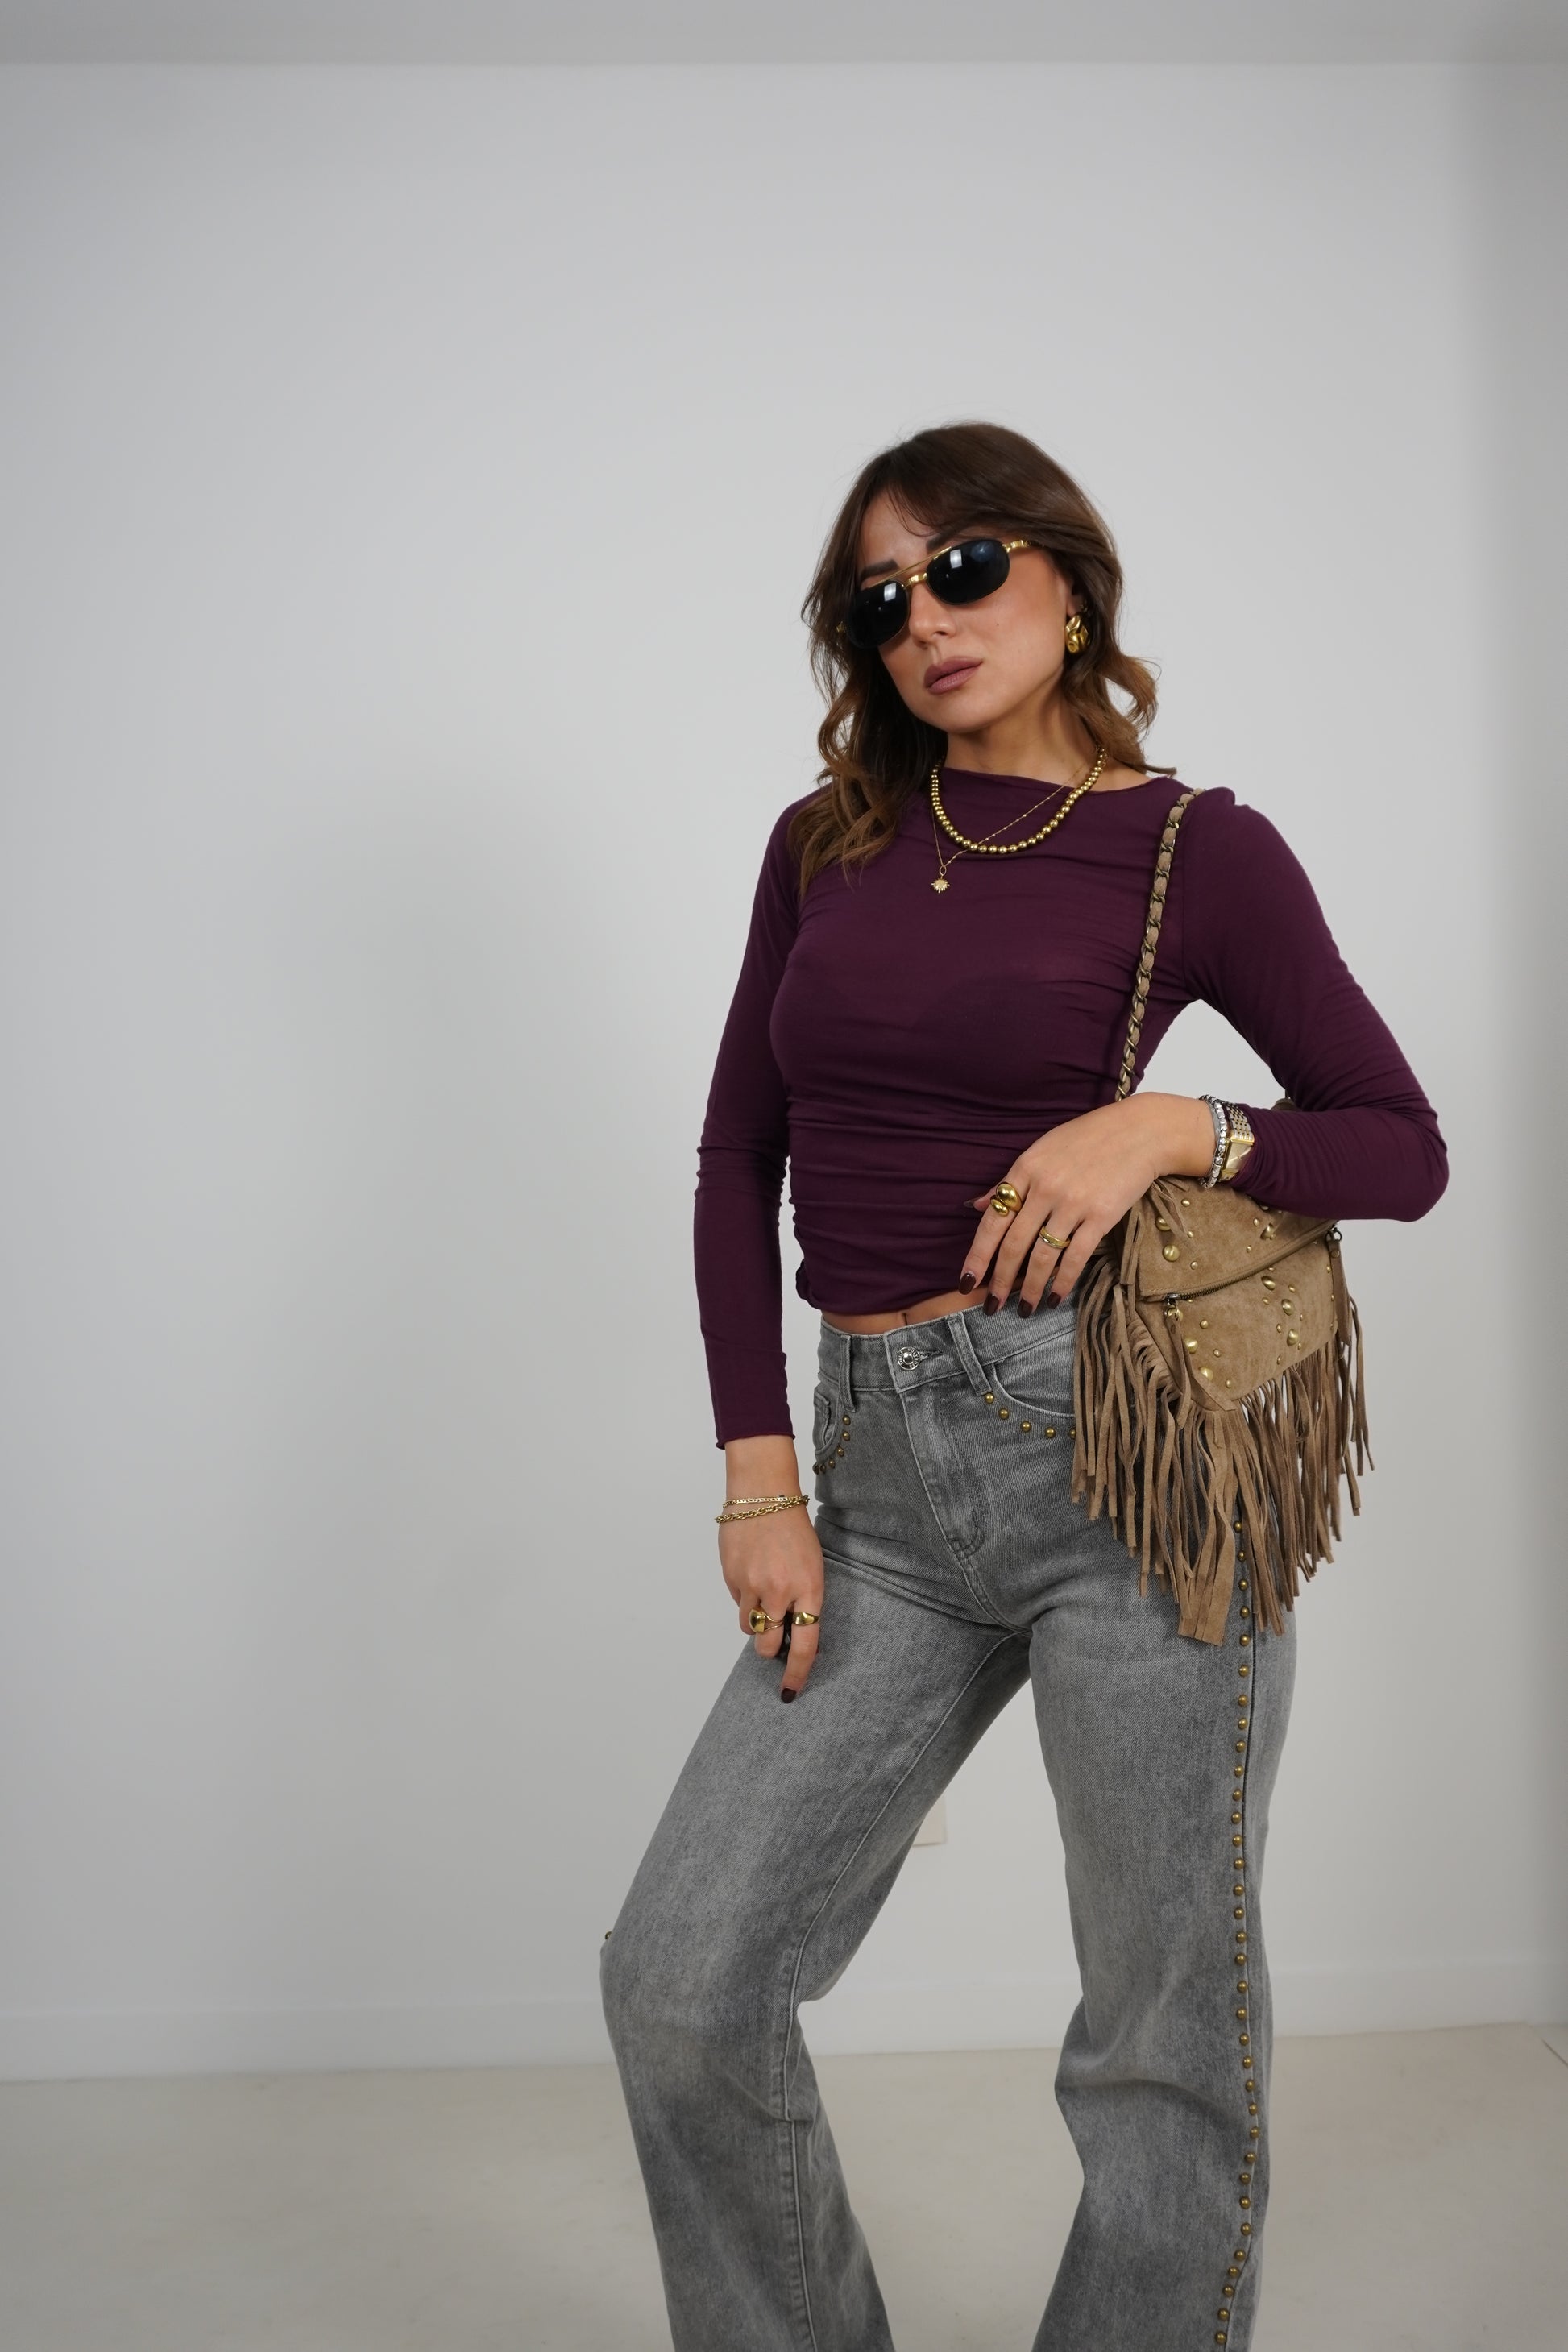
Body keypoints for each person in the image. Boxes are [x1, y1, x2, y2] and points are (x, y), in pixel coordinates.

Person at [599, 420, 1447, 2352]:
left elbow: (1399, 1144)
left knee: (1160, 2038)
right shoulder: (823, 845)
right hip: (873, 1483)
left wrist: (1173, 1122)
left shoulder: (1195, 850)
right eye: (880, 597)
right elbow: (739, 1154)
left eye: (965, 566)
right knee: (681, 1979)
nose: (925, 618)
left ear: (1069, 581)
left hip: (1124, 1474)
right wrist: (758, 1471)